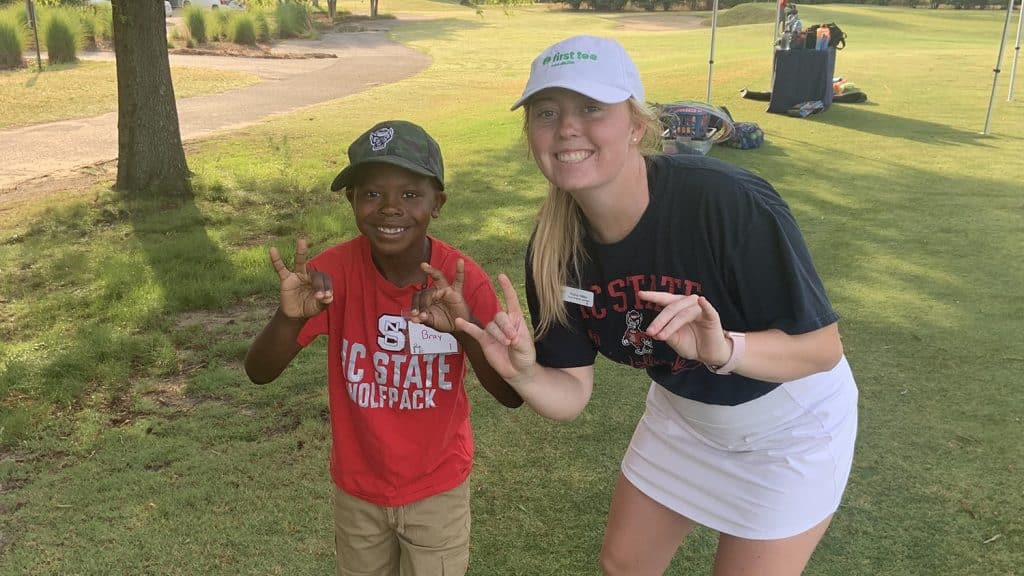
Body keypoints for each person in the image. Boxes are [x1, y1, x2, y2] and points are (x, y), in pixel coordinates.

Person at [456, 36, 859, 576]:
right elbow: (571, 393)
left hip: (788, 426)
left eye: (591, 108)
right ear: (531, 135)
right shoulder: (555, 251)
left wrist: (725, 348)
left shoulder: (725, 202)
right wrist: (526, 375)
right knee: (624, 565)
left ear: (637, 125)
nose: (567, 128)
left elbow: (821, 350)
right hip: (685, 419)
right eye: (546, 112)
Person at [244, 119, 521, 576]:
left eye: (411, 194)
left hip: (437, 488)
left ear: (439, 203)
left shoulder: (461, 279)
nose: (390, 209)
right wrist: (288, 317)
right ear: (351, 200)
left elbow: (511, 396)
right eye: (372, 194)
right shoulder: (331, 273)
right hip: (358, 491)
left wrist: (464, 332)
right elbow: (260, 371)